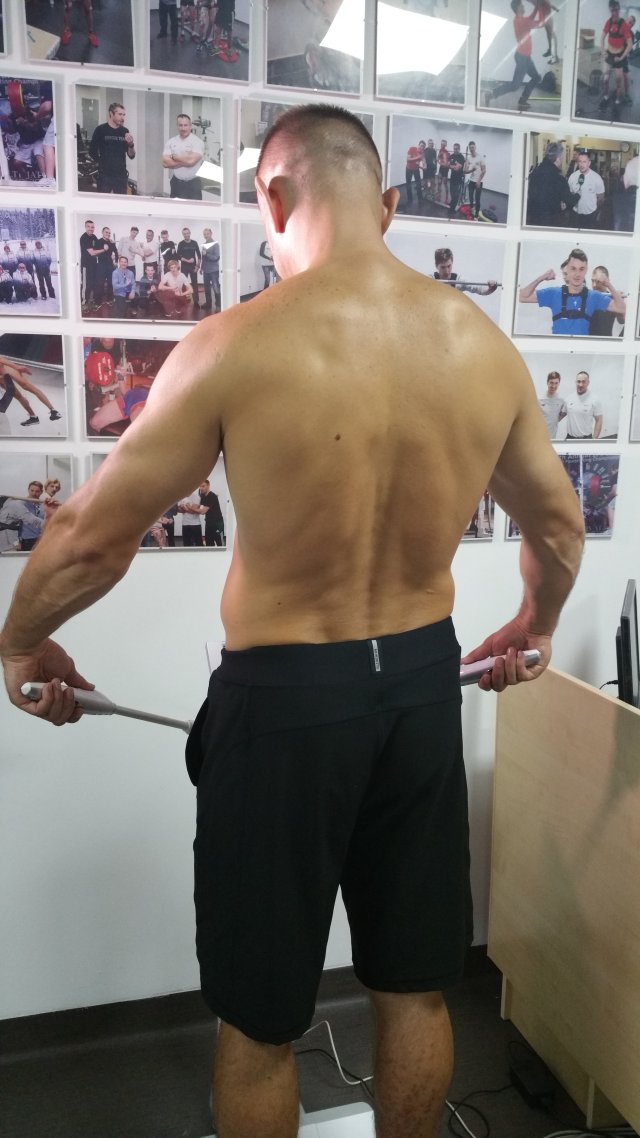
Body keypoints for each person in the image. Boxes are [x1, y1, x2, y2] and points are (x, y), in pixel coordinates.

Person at [0, 104, 585, 1138]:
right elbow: (558, 522)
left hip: (284, 704)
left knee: (263, 1018)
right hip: (420, 689)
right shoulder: (481, 347)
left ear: (271, 196)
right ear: (388, 204)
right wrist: (535, 622)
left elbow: (91, 537)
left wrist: (18, 640)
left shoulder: (235, 344)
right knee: (415, 987)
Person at [519, 247, 625, 335]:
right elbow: (522, 296)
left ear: (586, 270)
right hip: (557, 350)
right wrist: (541, 278)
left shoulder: (593, 296)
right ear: (567, 270)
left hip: (582, 351)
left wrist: (608, 285)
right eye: (573, 269)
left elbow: (621, 308)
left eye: (581, 269)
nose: (577, 274)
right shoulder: (554, 293)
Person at [485, 0, 545, 111]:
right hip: (522, 58)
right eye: (522, 5)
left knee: (536, 77)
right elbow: (541, 23)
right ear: (518, 8)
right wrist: (541, 8)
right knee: (515, 85)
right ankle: (492, 94)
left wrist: (537, 7)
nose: (524, 7)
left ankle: (523, 100)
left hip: (525, 57)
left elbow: (530, 18)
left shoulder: (519, 20)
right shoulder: (521, 21)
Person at [526, 142, 579, 226]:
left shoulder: (535, 171)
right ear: (558, 159)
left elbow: (534, 195)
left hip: (533, 218)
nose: (562, 160)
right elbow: (570, 200)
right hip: (550, 220)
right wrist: (578, 194)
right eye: (562, 158)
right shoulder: (558, 178)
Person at [89, 103, 135, 195]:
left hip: (121, 175)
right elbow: (92, 151)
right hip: (104, 175)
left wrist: (131, 144)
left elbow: (131, 155)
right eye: (120, 114)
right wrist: (101, 163)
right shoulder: (100, 130)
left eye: (124, 115)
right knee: (103, 201)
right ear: (111, 113)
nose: (122, 118)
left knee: (121, 202)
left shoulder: (125, 131)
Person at [162, 114, 205, 200]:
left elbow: (191, 162)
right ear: (177, 126)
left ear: (190, 126)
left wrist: (174, 157)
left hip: (193, 184)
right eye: (180, 125)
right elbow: (165, 163)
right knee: (175, 207)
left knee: (194, 208)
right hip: (176, 183)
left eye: (185, 125)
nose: (183, 128)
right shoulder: (171, 142)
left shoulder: (197, 142)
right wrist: (186, 161)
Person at [600, 1, 632, 110]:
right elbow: (602, 38)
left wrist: (622, 57)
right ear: (610, 10)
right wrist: (603, 51)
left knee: (618, 80)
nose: (615, 12)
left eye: (617, 10)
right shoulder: (608, 22)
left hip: (619, 55)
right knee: (605, 79)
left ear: (619, 9)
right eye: (613, 10)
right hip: (609, 54)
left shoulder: (624, 24)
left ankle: (618, 100)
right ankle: (605, 97)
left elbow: (630, 44)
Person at [432, 247, 498, 296]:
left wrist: (492, 288)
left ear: (452, 263)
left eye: (449, 266)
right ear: (436, 266)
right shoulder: (429, 279)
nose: (446, 271)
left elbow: (481, 290)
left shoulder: (459, 281)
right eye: (443, 267)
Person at [567, 150, 605, 228]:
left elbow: (601, 198)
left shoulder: (597, 178)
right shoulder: (572, 177)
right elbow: (569, 194)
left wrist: (595, 211)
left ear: (589, 163)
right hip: (575, 214)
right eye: (580, 161)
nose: (581, 164)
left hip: (591, 215)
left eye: (584, 162)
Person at [565, 372, 603, 440]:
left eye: (583, 382)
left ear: (588, 383)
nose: (580, 384)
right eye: (578, 381)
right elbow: (560, 415)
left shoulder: (594, 399)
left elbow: (599, 420)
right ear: (575, 382)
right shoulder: (569, 398)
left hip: (586, 439)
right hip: (570, 438)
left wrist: (594, 440)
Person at [537, 371, 567, 438]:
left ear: (559, 384)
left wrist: (554, 420)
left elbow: (562, 414)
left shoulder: (561, 401)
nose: (553, 386)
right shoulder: (539, 399)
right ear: (547, 382)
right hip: (538, 436)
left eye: (556, 383)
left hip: (553, 438)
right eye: (551, 383)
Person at [176, 227, 201, 307]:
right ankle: (183, 300)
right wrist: (187, 260)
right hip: (184, 267)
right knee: (183, 283)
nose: (186, 235)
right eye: (184, 234)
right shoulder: (181, 243)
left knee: (194, 283)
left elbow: (199, 256)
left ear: (190, 233)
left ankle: (196, 301)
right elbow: (178, 256)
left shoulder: (194, 243)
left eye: (187, 233)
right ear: (183, 234)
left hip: (193, 267)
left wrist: (197, 266)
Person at [198, 479, 225, 545]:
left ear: (208, 486)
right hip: (208, 523)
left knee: (220, 543)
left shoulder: (212, 496)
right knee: (209, 544)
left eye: (203, 486)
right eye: (200, 486)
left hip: (217, 524)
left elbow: (203, 511)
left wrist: (189, 508)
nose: (201, 488)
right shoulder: (203, 497)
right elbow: (201, 509)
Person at [201, 228, 221, 312]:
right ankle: (208, 304)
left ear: (211, 234)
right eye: (204, 234)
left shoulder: (215, 244)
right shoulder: (204, 245)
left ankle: (218, 304)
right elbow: (203, 258)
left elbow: (216, 258)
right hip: (205, 270)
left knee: (216, 288)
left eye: (207, 234)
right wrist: (201, 268)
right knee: (206, 288)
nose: (206, 235)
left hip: (213, 270)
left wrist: (207, 254)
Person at [463, 142, 485, 218]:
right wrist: (471, 170)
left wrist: (479, 181)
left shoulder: (480, 158)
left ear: (475, 147)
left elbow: (484, 170)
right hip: (471, 181)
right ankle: (472, 209)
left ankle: (476, 214)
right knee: (470, 197)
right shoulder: (469, 158)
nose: (471, 149)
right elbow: (465, 171)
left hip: (479, 182)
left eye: (472, 147)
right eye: (470, 148)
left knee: (477, 199)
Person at [447, 143, 465, 213]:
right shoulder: (451, 156)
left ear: (459, 149)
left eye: (457, 149)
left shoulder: (461, 157)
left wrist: (452, 166)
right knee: (452, 192)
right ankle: (452, 203)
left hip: (459, 178)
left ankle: (452, 209)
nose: (455, 150)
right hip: (452, 177)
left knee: (456, 194)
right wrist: (454, 166)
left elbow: (457, 168)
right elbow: (448, 165)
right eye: (454, 149)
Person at [404, 143, 423, 208]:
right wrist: (417, 157)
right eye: (421, 145)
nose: (421, 147)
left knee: (419, 183)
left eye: (423, 146)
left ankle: (420, 198)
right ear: (418, 145)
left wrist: (422, 167)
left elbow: (419, 163)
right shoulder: (412, 149)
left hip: (416, 169)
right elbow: (408, 159)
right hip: (408, 169)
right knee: (408, 184)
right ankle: (410, 199)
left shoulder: (422, 153)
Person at [437, 139, 450, 204]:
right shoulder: (440, 150)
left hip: (445, 169)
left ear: (445, 145)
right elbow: (438, 158)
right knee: (439, 183)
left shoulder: (446, 152)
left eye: (444, 144)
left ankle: (446, 199)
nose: (442, 145)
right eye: (441, 144)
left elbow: (446, 163)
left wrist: (440, 162)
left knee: (445, 184)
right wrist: (439, 161)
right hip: (441, 168)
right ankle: (439, 196)